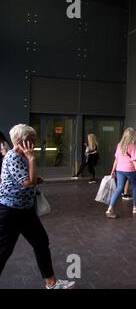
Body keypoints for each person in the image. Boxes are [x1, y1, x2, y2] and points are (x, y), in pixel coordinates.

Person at [0, 124, 75, 289]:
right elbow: (27, 182)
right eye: (31, 139)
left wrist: (34, 177)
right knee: (3, 251)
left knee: (41, 242)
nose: (34, 143)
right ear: (21, 141)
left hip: (25, 211)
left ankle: (51, 283)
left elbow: (27, 179)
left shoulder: (21, 157)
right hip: (10, 212)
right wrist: (32, 160)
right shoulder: (13, 156)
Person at [106, 128, 136, 218]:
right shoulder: (132, 145)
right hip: (130, 170)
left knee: (119, 188)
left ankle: (110, 208)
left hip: (119, 170)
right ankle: (135, 207)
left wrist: (113, 170)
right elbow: (134, 160)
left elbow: (116, 159)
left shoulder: (119, 145)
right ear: (132, 136)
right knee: (135, 187)